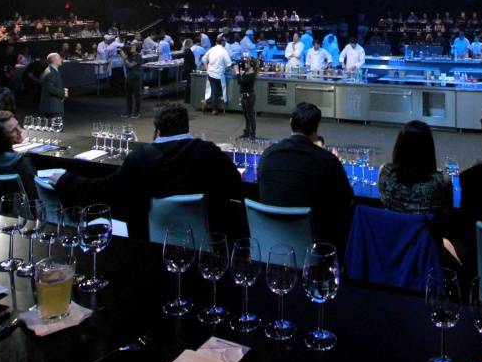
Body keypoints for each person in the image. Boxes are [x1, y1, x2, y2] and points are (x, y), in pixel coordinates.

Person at [54, 103, 243, 237]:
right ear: (186, 126)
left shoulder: (140, 158)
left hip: (147, 244)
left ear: (157, 129)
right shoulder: (209, 152)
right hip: (206, 241)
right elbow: (234, 184)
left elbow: (106, 190)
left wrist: (66, 180)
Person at [258, 102, 354, 247]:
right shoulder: (327, 161)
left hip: (270, 247)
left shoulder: (269, 155)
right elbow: (347, 201)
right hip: (313, 251)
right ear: (317, 127)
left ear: (291, 122)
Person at [378, 121, 451, 214]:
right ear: (428, 149)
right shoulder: (442, 181)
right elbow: (447, 215)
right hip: (424, 228)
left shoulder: (384, 171)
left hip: (391, 228)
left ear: (399, 147)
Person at [237, 55, 258, 138]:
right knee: (246, 116)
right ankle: (247, 132)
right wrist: (240, 72)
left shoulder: (252, 74)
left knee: (250, 115)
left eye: (247, 63)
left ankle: (253, 134)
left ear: (251, 64)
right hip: (244, 96)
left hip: (249, 97)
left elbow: (240, 82)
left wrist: (237, 73)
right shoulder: (247, 72)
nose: (245, 64)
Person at [123, 43, 143, 118]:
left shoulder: (139, 57)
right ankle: (128, 111)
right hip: (129, 77)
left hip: (136, 78)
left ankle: (137, 112)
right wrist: (124, 58)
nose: (131, 47)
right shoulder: (129, 56)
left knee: (137, 95)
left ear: (137, 48)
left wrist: (125, 58)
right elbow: (125, 64)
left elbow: (130, 65)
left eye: (133, 46)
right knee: (128, 95)